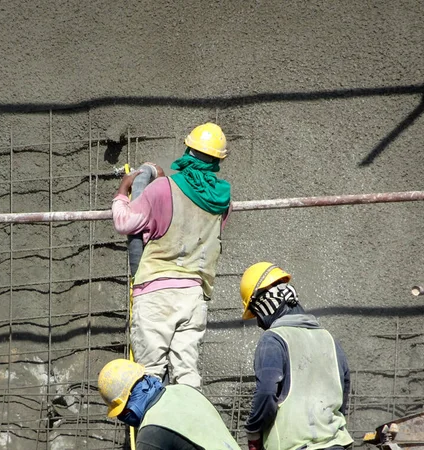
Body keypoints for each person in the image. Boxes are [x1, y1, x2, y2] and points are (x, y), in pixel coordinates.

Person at [111, 123, 231, 388]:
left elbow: (125, 223)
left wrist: (122, 193)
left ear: (188, 149)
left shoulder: (162, 188)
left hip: (155, 294)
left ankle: (154, 428)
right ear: (217, 160)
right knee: (187, 377)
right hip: (193, 295)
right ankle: (185, 427)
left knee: (150, 376)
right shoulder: (223, 199)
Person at [239, 262, 353, 450]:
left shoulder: (273, 340)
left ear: (264, 304)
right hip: (337, 444)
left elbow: (266, 392)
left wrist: (253, 431)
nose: (259, 323)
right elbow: (343, 390)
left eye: (256, 314)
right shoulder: (329, 339)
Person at [98, 358, 241, 450]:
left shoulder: (151, 432)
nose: (123, 418)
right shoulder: (185, 391)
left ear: (128, 401)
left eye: (122, 412)